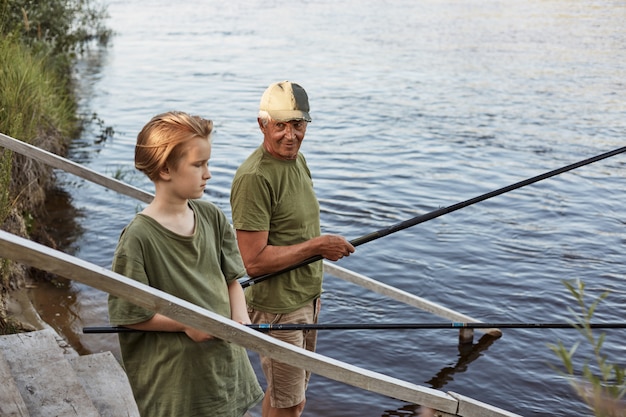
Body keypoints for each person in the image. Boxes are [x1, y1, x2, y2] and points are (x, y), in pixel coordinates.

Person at [108, 111, 264, 417]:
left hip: (223, 370)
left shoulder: (212, 217)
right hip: (177, 386)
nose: (208, 174)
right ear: (166, 168)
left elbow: (232, 280)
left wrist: (240, 317)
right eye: (198, 165)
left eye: (207, 163)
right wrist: (185, 322)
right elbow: (128, 316)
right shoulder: (138, 238)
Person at [230, 81, 355, 417]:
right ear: (262, 124)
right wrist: (318, 245)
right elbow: (252, 262)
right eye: (280, 125)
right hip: (276, 308)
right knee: (292, 404)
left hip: (307, 298)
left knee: (288, 397)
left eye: (298, 125)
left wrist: (318, 249)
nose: (290, 135)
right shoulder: (254, 177)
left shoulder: (297, 161)